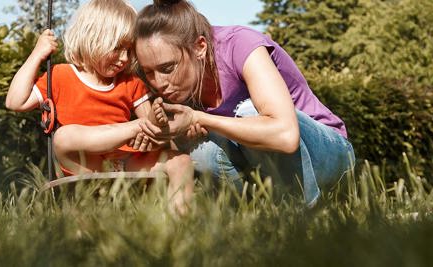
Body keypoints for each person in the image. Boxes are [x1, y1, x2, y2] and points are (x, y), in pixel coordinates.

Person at [131, 0, 355, 207]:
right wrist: (178, 134)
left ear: (199, 47)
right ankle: (253, 216)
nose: (159, 82)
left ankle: (301, 217)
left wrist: (199, 118)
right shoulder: (176, 82)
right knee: (202, 152)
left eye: (167, 68)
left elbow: (285, 136)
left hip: (329, 154)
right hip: (264, 166)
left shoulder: (240, 45)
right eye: (148, 72)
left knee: (248, 112)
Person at [4, 0, 193, 214]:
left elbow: (151, 132)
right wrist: (37, 54)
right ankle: (132, 128)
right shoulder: (60, 75)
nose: (124, 58)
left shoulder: (130, 82)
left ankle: (179, 223)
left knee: (181, 161)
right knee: (64, 136)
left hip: (126, 162)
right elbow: (15, 102)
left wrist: (157, 127)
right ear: (93, 38)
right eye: (117, 48)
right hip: (85, 165)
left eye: (129, 50)